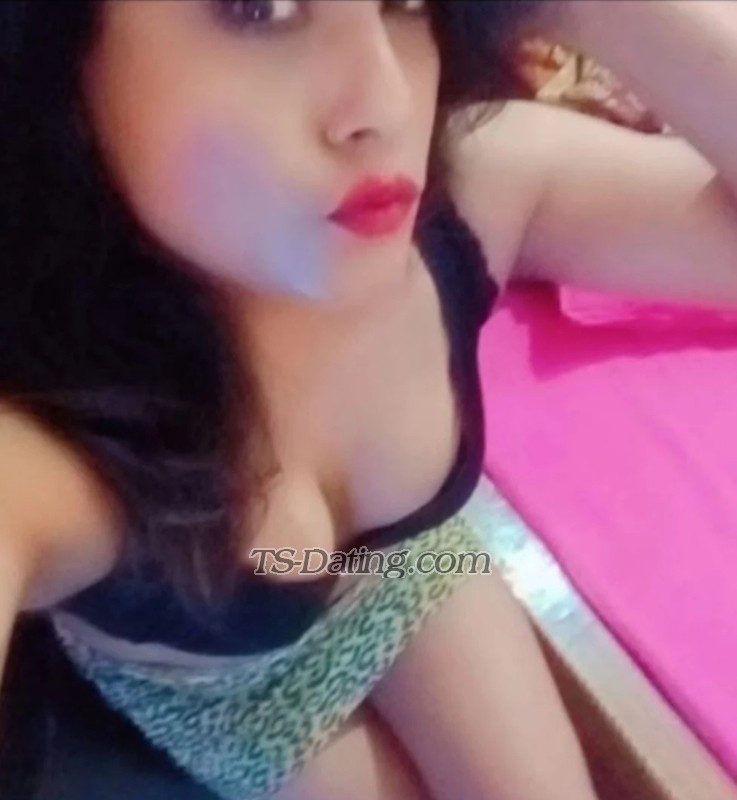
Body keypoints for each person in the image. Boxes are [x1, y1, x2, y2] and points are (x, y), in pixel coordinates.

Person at [1, 1, 736, 799]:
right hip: (229, 696)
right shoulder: (46, 432)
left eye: (405, 2)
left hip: (405, 570)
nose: (385, 104)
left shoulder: (471, 193)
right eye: (261, 7)